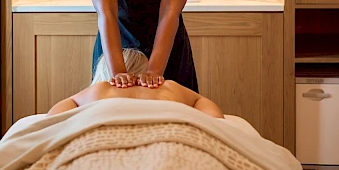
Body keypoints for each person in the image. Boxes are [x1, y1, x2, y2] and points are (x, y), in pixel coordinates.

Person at [47, 49, 223, 118]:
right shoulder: (167, 87)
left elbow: (54, 117)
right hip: (168, 136)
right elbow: (209, 110)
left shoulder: (100, 89)